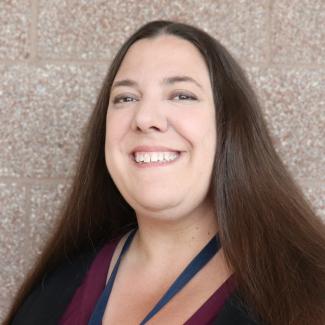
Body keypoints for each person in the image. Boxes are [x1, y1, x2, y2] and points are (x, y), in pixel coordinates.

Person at [4, 20, 325, 325]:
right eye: (126, 98)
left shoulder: (309, 289)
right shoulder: (54, 292)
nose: (145, 117)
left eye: (182, 95)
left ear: (230, 128)